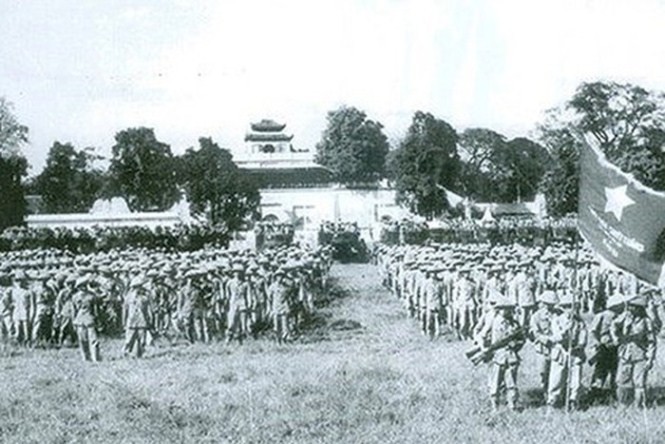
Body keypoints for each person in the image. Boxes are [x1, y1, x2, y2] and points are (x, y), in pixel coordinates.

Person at [481, 295, 525, 411]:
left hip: (511, 357)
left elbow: (522, 339)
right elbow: (483, 335)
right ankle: (495, 407)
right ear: (500, 309)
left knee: (511, 384)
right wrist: (486, 349)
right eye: (505, 309)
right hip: (497, 357)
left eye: (509, 309)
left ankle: (512, 405)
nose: (508, 311)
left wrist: (516, 345)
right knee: (495, 383)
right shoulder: (493, 321)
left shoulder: (514, 323)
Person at [611, 295, 657, 407]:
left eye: (634, 307)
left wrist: (650, 359)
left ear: (640, 308)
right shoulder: (625, 317)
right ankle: (623, 404)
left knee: (639, 383)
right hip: (625, 354)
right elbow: (614, 325)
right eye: (630, 306)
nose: (631, 309)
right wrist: (615, 337)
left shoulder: (646, 321)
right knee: (622, 380)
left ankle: (638, 405)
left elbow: (651, 342)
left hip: (640, 355)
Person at [547, 294, 587, 411]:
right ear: (563, 308)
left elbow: (583, 337)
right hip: (560, 353)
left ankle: (574, 400)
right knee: (556, 379)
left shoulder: (580, 322)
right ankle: (553, 401)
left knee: (576, 380)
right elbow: (556, 337)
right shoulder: (557, 321)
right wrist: (565, 331)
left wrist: (579, 345)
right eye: (568, 307)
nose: (571, 310)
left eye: (574, 307)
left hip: (575, 354)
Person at [588, 293, 623, 404]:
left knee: (615, 372)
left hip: (616, 348)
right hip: (603, 348)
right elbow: (593, 331)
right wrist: (597, 343)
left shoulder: (620, 317)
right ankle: (595, 395)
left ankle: (614, 395)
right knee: (600, 372)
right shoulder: (601, 316)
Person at [529, 290, 558, 394]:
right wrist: (545, 339)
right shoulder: (536, 316)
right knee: (543, 371)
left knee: (555, 372)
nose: (550, 306)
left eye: (552, 304)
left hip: (556, 347)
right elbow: (535, 332)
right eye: (548, 304)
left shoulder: (558, 314)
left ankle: (554, 393)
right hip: (542, 348)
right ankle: (544, 390)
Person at [72, 275, 101, 362]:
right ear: (78, 287)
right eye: (81, 286)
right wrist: (74, 321)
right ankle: (85, 357)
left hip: (90, 319)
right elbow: (74, 310)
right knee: (82, 340)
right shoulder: (75, 297)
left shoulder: (92, 296)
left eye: (85, 285)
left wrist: (97, 319)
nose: (84, 287)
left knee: (93, 339)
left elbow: (95, 309)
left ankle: (95, 357)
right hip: (80, 320)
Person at [123, 275, 152, 358]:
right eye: (138, 287)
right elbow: (125, 310)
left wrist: (149, 319)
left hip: (142, 321)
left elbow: (148, 309)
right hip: (131, 321)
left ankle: (141, 353)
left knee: (142, 339)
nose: (139, 289)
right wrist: (124, 321)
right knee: (129, 339)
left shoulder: (144, 297)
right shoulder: (128, 297)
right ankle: (126, 352)